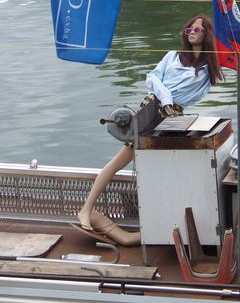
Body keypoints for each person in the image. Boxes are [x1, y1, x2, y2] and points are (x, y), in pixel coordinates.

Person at [76, 14, 224, 246]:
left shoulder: (207, 71)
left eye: (198, 29)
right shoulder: (172, 57)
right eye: (189, 30)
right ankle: (86, 210)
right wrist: (165, 99)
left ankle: (165, 228)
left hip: (174, 119)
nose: (192, 32)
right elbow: (153, 78)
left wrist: (172, 104)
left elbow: (191, 96)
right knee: (120, 161)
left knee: (167, 170)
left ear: (207, 34)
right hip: (151, 111)